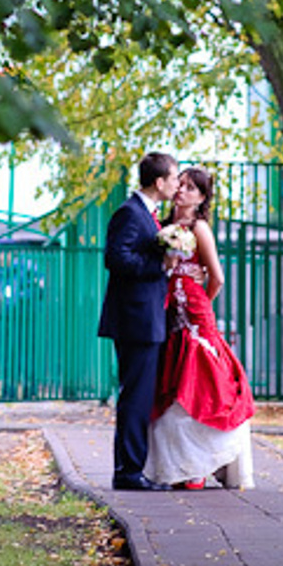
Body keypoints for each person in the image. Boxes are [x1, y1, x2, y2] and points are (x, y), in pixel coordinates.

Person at [146, 166, 255, 490]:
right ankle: (176, 465)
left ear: (202, 197)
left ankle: (201, 466)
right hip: (166, 314)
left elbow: (216, 276)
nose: (182, 191)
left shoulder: (199, 228)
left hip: (195, 316)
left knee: (202, 387)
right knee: (168, 390)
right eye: (180, 185)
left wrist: (198, 302)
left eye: (192, 188)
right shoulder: (163, 227)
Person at [98, 152, 180, 491]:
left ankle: (132, 468)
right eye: (174, 178)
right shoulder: (130, 213)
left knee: (140, 396)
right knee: (135, 396)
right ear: (159, 182)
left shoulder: (148, 215)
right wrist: (160, 266)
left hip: (146, 318)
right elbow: (116, 260)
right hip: (135, 320)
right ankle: (129, 473)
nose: (177, 185)